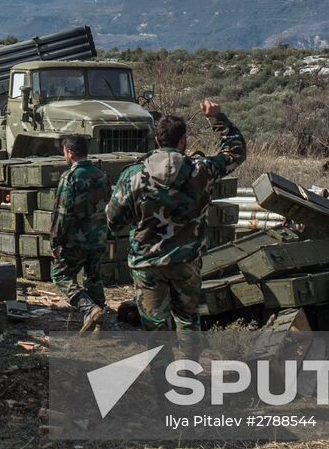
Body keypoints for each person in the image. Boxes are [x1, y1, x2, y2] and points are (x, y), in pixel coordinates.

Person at [106, 100, 246, 339]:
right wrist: (216, 118)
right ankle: (187, 373)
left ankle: (161, 374)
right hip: (187, 261)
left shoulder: (134, 175)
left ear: (157, 140)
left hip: (146, 262)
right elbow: (235, 152)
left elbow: (113, 220)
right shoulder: (202, 170)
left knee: (154, 325)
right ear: (183, 141)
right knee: (188, 320)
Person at [50, 134, 111, 333]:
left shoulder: (70, 177)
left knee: (60, 275)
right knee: (93, 277)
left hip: (76, 240)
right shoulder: (101, 175)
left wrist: (56, 241)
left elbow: (62, 213)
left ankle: (89, 308)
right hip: (99, 237)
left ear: (70, 152)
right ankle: (99, 321)